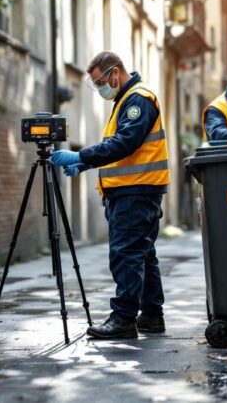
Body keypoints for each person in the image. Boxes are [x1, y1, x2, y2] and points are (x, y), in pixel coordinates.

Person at [50, 51, 170, 339]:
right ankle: (152, 315)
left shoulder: (138, 99)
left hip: (135, 191)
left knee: (126, 253)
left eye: (100, 81)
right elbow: (121, 149)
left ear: (115, 73)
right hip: (136, 189)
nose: (100, 88)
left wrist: (82, 155)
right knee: (143, 253)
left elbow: (125, 143)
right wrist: (84, 163)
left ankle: (124, 319)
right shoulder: (125, 100)